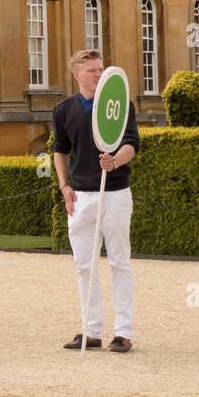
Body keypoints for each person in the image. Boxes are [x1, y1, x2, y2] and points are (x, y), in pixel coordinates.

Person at [52, 49, 139, 353]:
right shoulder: (63, 110)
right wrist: (64, 186)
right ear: (77, 74)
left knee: (119, 261)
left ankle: (123, 333)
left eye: (101, 69)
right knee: (84, 266)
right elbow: (60, 149)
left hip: (115, 193)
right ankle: (91, 331)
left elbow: (132, 144)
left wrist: (114, 161)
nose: (100, 75)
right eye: (92, 71)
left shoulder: (122, 105)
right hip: (80, 196)